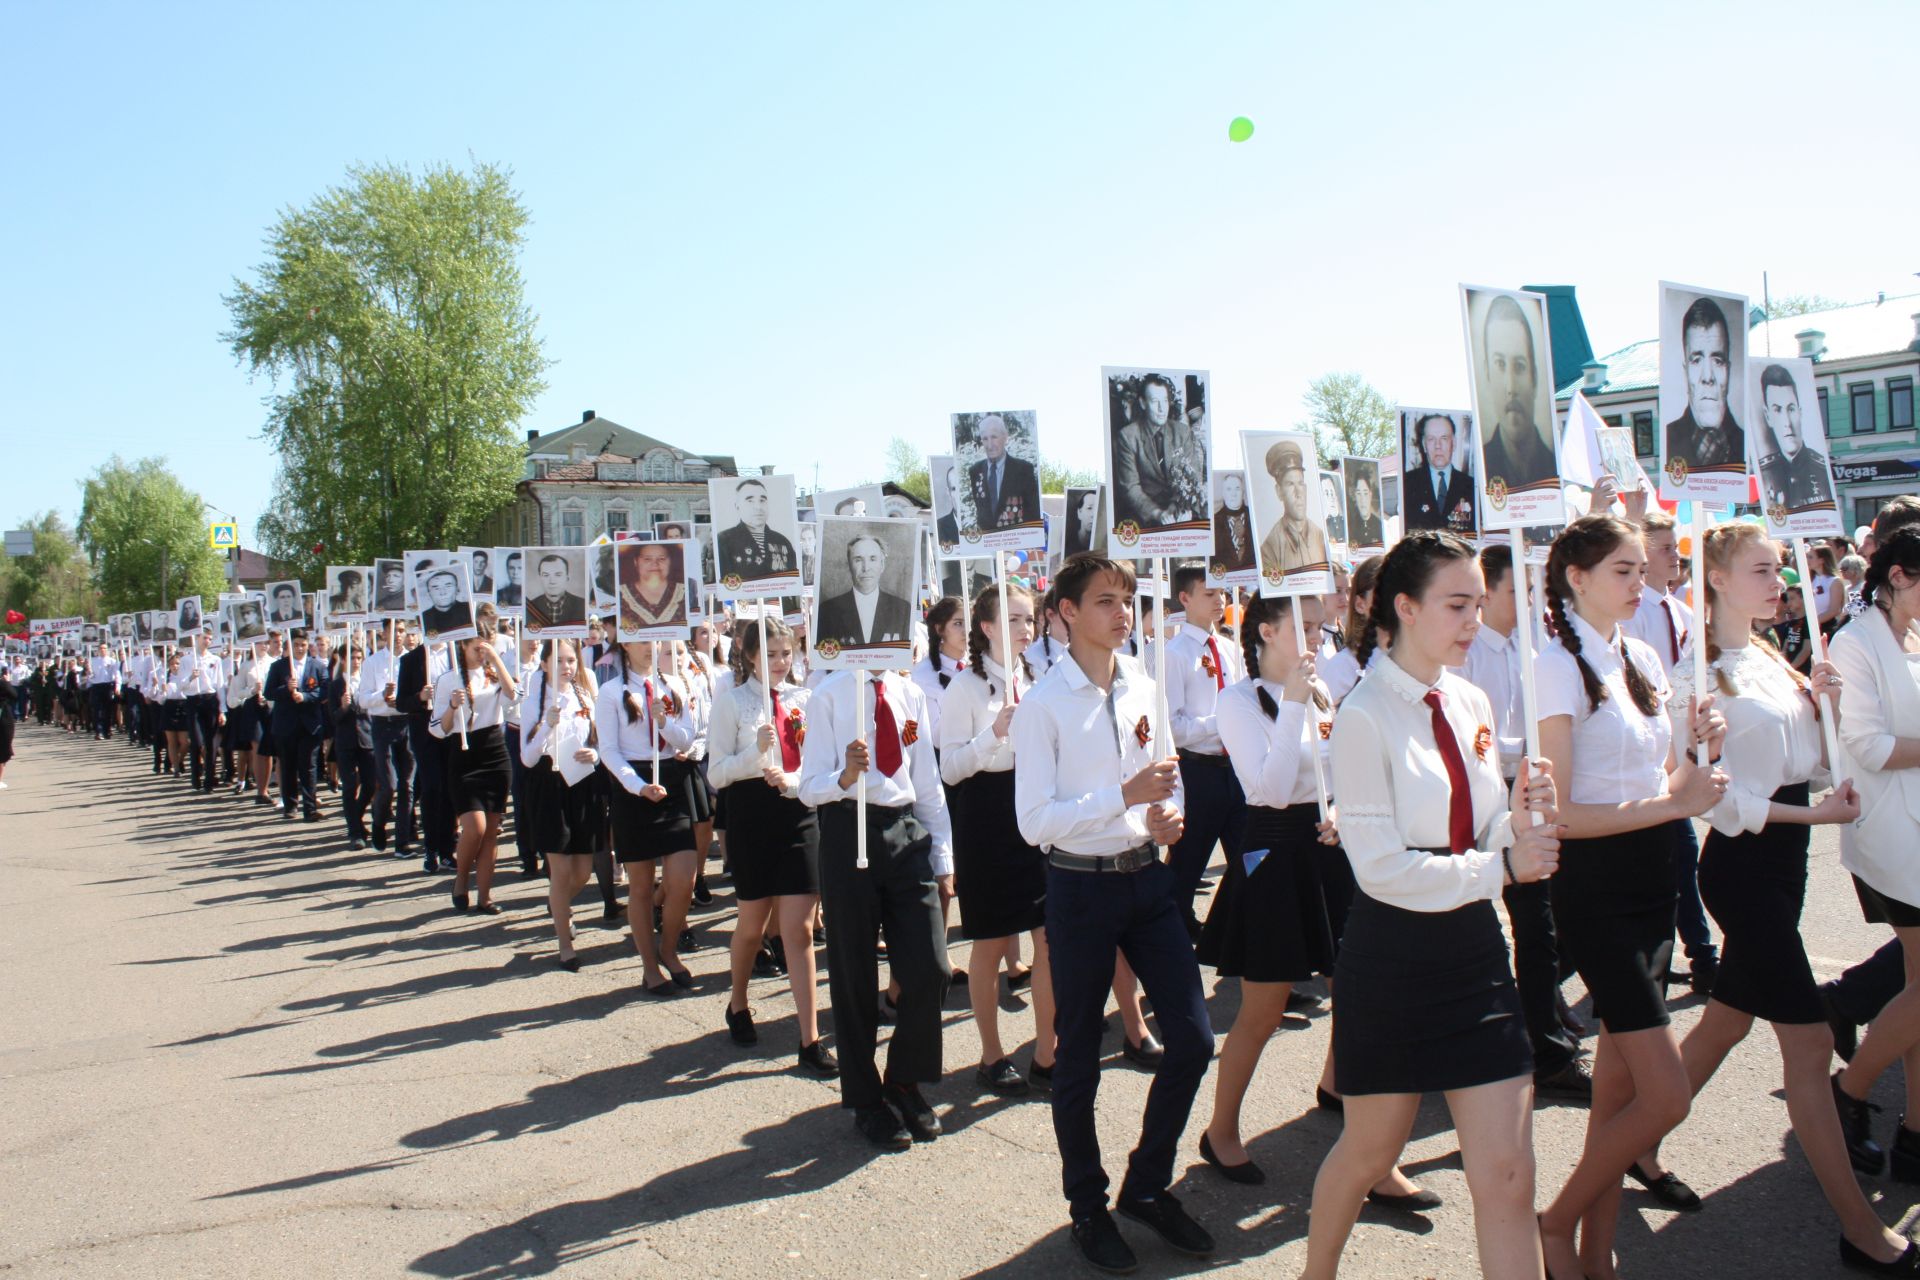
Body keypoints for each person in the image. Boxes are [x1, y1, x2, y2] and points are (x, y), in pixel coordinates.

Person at [1641, 521, 1915, 1271]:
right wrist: (1817, 812)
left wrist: (1821, 704)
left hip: (1787, 862)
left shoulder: (1773, 658)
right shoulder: (1697, 674)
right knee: (1810, 1042)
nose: (1779, 583)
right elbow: (1720, 806)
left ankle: (1633, 1145)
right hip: (1744, 870)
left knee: (1726, 1023)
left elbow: (1818, 762)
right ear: (1718, 580)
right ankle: (1861, 1230)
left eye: (1778, 571)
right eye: (1762, 571)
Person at [1303, 531, 1563, 1280]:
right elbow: (1382, 869)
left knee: (1510, 1173)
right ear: (1405, 608)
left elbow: (1476, 831)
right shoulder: (1362, 717)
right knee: (1369, 1152)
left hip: (1476, 956)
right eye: (1457, 604)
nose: (1474, 620)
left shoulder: (1471, 696)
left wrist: (1516, 818)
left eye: (1480, 603)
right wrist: (1505, 863)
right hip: (1392, 962)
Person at [1536, 514, 1730, 1280]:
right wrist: (1674, 805)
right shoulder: (1554, 666)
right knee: (1666, 1095)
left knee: (1617, 1095)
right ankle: (1554, 1223)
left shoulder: (1645, 654)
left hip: (1656, 878)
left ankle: (1595, 1253)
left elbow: (1670, 784)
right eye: (1622, 569)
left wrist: (1695, 748)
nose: (1638, 579)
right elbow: (1560, 815)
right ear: (1576, 578)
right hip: (1596, 888)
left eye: (1641, 569)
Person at [1011, 553, 1216, 1272]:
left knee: (1192, 1038)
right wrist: (1121, 799)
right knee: (1078, 1061)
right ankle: (1088, 1206)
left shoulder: (1142, 682)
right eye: (1104, 600)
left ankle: (1148, 1186)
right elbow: (1034, 822)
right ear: (1066, 613)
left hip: (1145, 882)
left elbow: (1168, 777)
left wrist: (1169, 817)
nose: (1121, 611)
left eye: (1126, 598)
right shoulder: (1043, 704)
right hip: (1079, 890)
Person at [797, 652, 954, 1152]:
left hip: (905, 830)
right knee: (854, 971)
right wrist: (842, 776)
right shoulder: (829, 694)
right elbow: (808, 788)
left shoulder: (908, 694)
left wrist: (943, 855)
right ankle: (865, 1099)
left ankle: (903, 1079)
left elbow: (926, 778)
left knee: (930, 968)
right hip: (850, 827)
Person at [1460, 543, 1591, 1101]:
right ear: (1485, 593)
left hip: (1534, 781)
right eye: (1518, 590)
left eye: (1534, 589)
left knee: (1549, 920)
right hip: (1489, 787)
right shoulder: (1465, 653)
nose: (1529, 600)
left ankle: (1542, 1022)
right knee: (1517, 922)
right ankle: (1543, 1049)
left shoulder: (1534, 645)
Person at [1830, 527, 1920, 1191]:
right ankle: (1849, 1089)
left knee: (1918, 991)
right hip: (1892, 836)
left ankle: (1915, 1133)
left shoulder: (1914, 635)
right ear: (1898, 576)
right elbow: (1864, 743)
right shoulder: (1854, 640)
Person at [940, 583, 1055, 1095]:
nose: (1025, 628)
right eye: (1013, 620)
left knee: (1047, 938)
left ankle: (1048, 1049)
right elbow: (950, 768)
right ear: (986, 629)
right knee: (988, 942)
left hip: (1033, 804)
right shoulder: (964, 688)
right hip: (985, 814)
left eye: (1029, 619)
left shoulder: (1041, 676)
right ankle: (991, 1054)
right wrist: (995, 734)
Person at [709, 618, 837, 1074]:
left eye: (788, 653)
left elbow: (820, 763)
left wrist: (795, 778)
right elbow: (716, 773)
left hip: (798, 813)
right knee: (752, 923)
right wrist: (754, 755)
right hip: (750, 816)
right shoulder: (732, 703)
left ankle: (809, 1038)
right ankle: (738, 1002)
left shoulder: (807, 700)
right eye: (772, 654)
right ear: (749, 656)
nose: (782, 663)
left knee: (799, 928)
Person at [1622, 509, 1719, 993]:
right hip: (1647, 758)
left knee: (1678, 859)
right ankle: (1702, 955)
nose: (1673, 556)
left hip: (1682, 750)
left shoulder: (1682, 611)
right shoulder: (1630, 614)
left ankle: (1673, 959)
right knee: (1679, 853)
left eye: (1674, 546)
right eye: (1662, 548)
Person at [598, 640, 699, 995]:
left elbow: (687, 739)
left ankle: (668, 947)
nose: (649, 648)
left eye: (654, 640)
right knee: (640, 887)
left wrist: (664, 722)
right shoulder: (611, 692)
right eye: (641, 641)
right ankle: (649, 967)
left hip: (671, 780)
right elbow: (608, 749)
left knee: (683, 879)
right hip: (633, 788)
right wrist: (636, 786)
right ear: (625, 644)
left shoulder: (675, 684)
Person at [1164, 564, 1247, 937]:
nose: (1220, 601)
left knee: (1250, 858)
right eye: (1209, 593)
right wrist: (1222, 721)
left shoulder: (1232, 647)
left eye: (1222, 593)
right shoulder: (1175, 653)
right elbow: (1172, 726)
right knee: (1187, 862)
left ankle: (1235, 932)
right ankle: (1174, 933)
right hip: (1197, 771)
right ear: (1185, 598)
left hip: (1236, 768)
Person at [518, 638, 610, 968]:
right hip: (549, 784)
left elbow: (600, 740)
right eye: (559, 661)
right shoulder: (534, 701)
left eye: (571, 660)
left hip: (582, 783)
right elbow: (527, 758)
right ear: (544, 665)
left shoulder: (585, 695)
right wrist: (547, 725)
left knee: (583, 872)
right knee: (560, 871)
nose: (567, 666)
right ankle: (564, 945)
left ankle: (558, 906)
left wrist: (595, 754)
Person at [432, 622, 517, 911]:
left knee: (491, 830)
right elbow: (437, 730)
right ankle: (460, 879)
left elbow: (513, 696)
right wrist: (452, 708)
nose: (482, 652)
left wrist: (496, 660)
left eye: (486, 646)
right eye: (477, 647)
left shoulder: (493, 673)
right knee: (475, 827)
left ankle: (484, 895)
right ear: (463, 647)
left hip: (495, 752)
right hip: (464, 754)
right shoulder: (449, 679)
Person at [1477, 295, 1556, 497]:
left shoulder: (1554, 466)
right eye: (1500, 365)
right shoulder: (1477, 474)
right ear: (1487, 374)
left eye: (1520, 366)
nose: (1510, 387)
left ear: (1535, 377)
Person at [1664, 295, 1746, 474]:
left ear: (1728, 371)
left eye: (1718, 360)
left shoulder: (1748, 445)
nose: (1707, 376)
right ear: (1685, 371)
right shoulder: (1666, 442)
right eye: (1696, 360)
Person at [1113, 373, 1205, 530]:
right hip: (1146, 514)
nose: (1162, 409)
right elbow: (1130, 487)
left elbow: (1193, 474)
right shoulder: (1127, 437)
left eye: (1165, 401)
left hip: (1180, 508)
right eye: (1155, 402)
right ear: (1142, 403)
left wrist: (1178, 506)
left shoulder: (1182, 432)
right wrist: (1157, 513)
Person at [265, 631, 328, 822]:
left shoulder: (317, 666)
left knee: (308, 766)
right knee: (288, 766)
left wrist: (306, 697)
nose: (300, 648)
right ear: (290, 646)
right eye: (296, 645)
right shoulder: (278, 667)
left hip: (310, 725)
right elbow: (269, 692)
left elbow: (325, 690)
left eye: (303, 644)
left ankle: (309, 808)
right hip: (286, 724)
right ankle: (290, 805)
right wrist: (286, 689)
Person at [1756, 362, 1835, 514]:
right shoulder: (1765, 475)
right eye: (1777, 410)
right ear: (1768, 416)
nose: (1787, 423)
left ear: (1800, 412)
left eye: (1791, 409)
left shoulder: (1822, 469)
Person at [816, 534, 911, 648]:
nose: (866, 568)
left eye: (872, 559)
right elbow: (825, 658)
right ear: (849, 565)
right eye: (858, 560)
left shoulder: (903, 610)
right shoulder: (827, 611)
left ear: (882, 565)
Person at [1257, 440, 1331, 577]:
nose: (1298, 492)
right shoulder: (1270, 548)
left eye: (1301, 483)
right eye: (1290, 484)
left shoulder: (1320, 537)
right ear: (1279, 491)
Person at [329, 637, 374, 851]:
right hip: (346, 741)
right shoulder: (336, 685)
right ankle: (355, 831)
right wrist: (344, 707)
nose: (356, 662)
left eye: (359, 657)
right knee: (349, 785)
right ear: (343, 660)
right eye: (352, 658)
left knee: (371, 783)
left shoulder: (367, 680)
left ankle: (356, 814)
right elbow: (332, 718)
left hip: (367, 738)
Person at [717, 477, 800, 584]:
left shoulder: (782, 541)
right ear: (737, 506)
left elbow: (793, 579)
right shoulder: (724, 540)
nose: (758, 507)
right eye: (750, 500)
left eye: (762, 500)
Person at [1405, 413, 1477, 533]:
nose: (1438, 446)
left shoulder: (1472, 487)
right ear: (1424, 444)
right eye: (1431, 439)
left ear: (1453, 443)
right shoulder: (1407, 484)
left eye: (1444, 438)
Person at [966, 413, 1040, 531]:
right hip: (988, 544)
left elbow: (1033, 513)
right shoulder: (975, 471)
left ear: (1005, 437)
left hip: (1016, 541)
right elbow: (981, 513)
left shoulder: (1024, 470)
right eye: (985, 438)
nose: (990, 445)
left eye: (994, 437)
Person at [619, 543, 687, 630]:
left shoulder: (686, 592)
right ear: (636, 562)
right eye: (647, 559)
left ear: (670, 561)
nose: (655, 564)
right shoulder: (620, 594)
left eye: (661, 559)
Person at [527, 553, 587, 630]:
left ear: (567, 577)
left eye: (558, 575)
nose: (552, 581)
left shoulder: (582, 605)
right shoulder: (530, 608)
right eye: (546, 575)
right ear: (540, 578)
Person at [1211, 474, 1253, 574]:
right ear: (1223, 494)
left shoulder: (1254, 518)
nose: (1233, 494)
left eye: (1237, 489)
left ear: (1243, 492)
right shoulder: (1214, 522)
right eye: (1229, 489)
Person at [418, 570, 473, 640]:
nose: (443, 592)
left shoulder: (470, 610)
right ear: (429, 594)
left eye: (448, 586)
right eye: (436, 588)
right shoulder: (423, 619)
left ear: (457, 589)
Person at [1346, 471, 1384, 548]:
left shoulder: (1379, 525)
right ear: (1355, 496)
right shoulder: (1350, 526)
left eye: (1365, 493)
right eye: (1359, 494)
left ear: (1370, 495)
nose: (1362, 500)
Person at [934, 464, 962, 548]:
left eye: (962, 487)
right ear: (948, 492)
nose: (959, 495)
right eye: (954, 489)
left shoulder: (985, 523)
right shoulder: (939, 527)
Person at [1321, 472, 1347, 545]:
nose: (1331, 498)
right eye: (1327, 494)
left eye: (1332, 493)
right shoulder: (1323, 526)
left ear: (1336, 496)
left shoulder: (1345, 522)